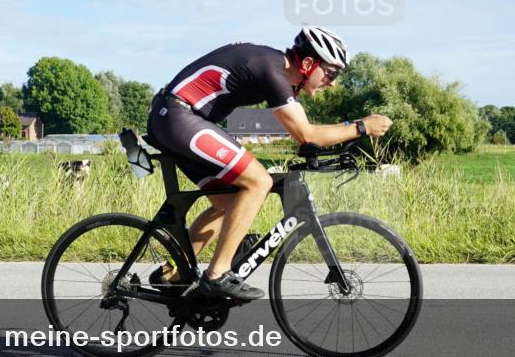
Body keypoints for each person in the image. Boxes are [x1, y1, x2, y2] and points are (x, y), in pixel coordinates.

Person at [146, 26, 392, 300]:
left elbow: (303, 138)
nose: (332, 82)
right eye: (331, 72)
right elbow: (307, 134)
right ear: (309, 64)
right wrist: (362, 127)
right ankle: (217, 275)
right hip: (178, 116)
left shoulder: (276, 72)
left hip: (175, 117)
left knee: (228, 205)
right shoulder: (272, 70)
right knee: (258, 181)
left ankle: (171, 273)